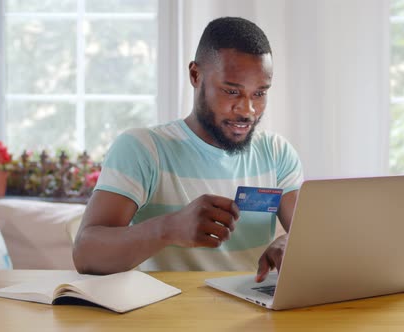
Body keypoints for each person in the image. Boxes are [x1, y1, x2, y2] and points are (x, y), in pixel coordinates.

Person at [73, 17, 303, 283]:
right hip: (169, 317)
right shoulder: (144, 149)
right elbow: (85, 253)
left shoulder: (276, 153)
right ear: (195, 75)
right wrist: (169, 228)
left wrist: (290, 242)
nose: (247, 110)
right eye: (231, 91)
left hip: (252, 317)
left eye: (259, 94)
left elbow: (307, 233)